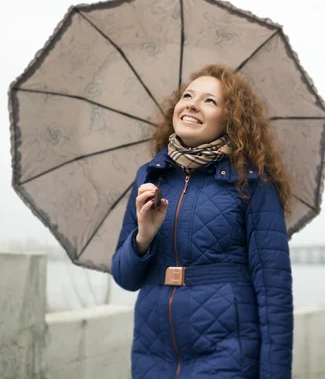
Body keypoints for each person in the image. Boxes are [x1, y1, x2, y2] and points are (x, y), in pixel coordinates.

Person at [111, 64, 294, 379]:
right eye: (187, 95)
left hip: (227, 356)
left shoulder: (252, 183)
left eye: (210, 101)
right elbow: (125, 278)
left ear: (231, 118)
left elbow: (274, 292)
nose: (192, 104)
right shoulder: (151, 176)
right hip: (153, 355)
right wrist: (142, 238)